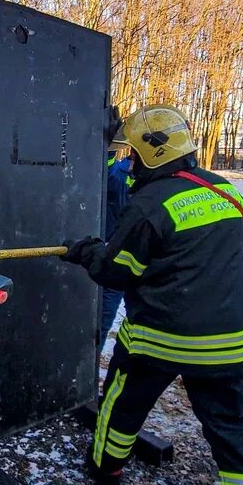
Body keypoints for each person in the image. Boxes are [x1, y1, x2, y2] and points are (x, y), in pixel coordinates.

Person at [61, 105, 243, 485]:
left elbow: (117, 271)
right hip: (230, 345)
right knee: (237, 431)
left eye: (133, 155)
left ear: (150, 153)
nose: (129, 162)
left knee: (122, 404)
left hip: (159, 339)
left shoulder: (149, 205)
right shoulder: (225, 192)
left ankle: (105, 469)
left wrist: (87, 251)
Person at [99, 151, 133, 353]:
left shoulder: (116, 172)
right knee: (102, 319)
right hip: (118, 259)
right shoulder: (117, 173)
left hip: (126, 260)